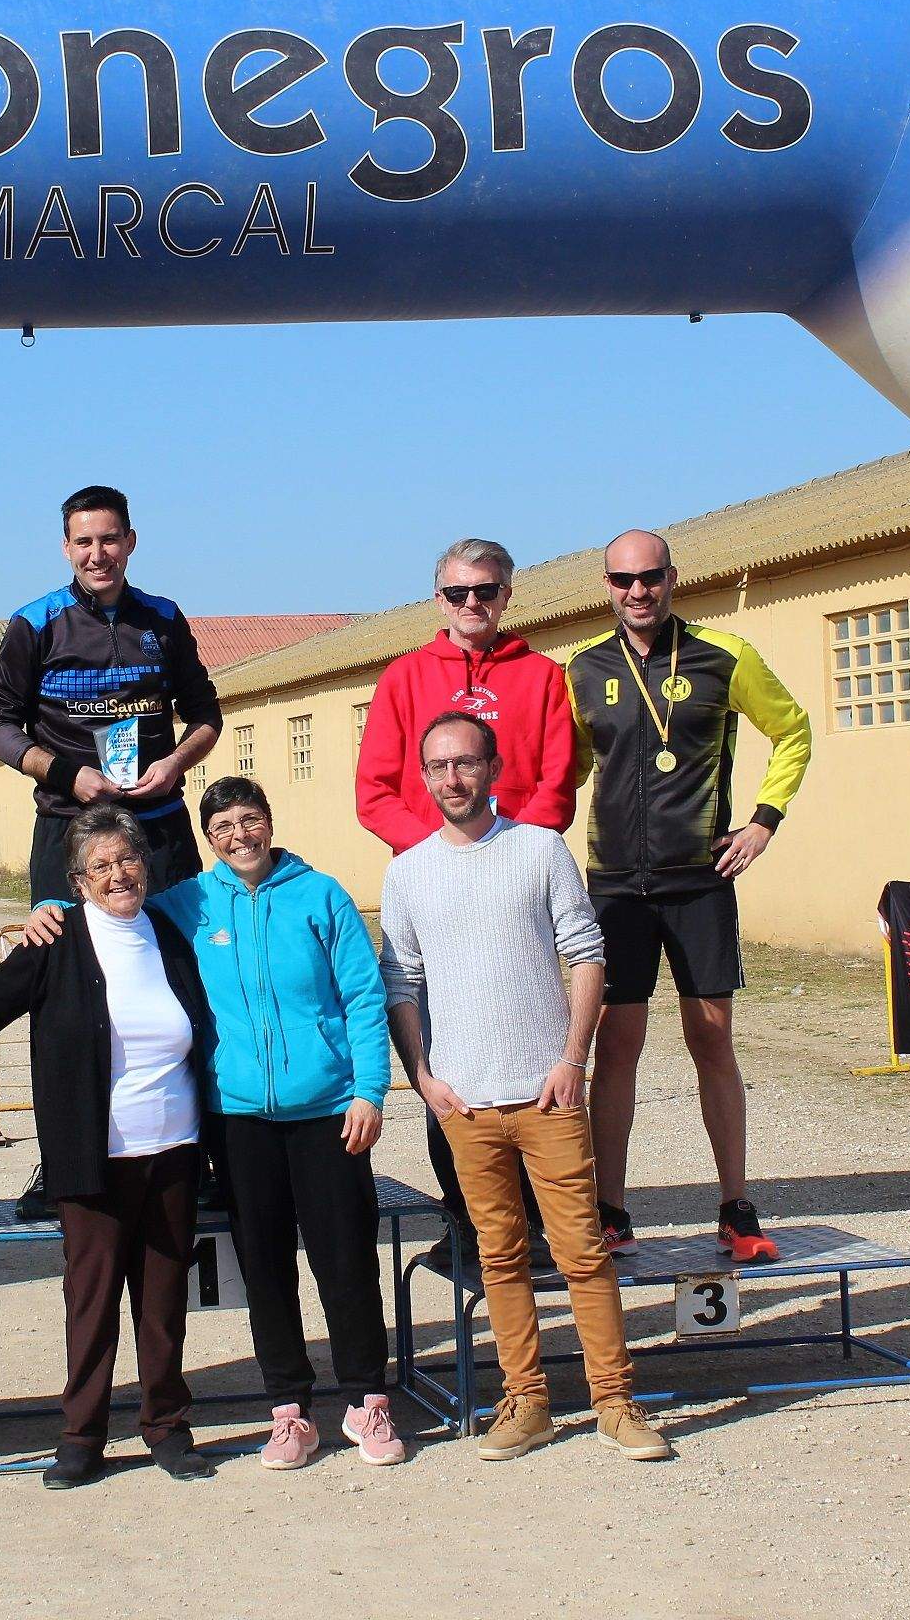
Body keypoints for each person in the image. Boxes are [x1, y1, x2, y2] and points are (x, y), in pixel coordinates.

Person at [22, 777, 405, 1470]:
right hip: (236, 1121)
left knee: (345, 1260)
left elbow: (363, 997)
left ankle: (367, 1401)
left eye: (250, 820)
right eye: (223, 825)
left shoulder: (322, 896)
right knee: (263, 1269)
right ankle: (289, 1412)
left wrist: (369, 1091)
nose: (239, 835)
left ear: (269, 822)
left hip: (327, 1110)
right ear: (208, 838)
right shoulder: (191, 902)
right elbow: (112, 901)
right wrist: (52, 904)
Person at [0, 804, 217, 1490]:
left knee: (162, 1305)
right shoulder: (54, 940)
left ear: (146, 867)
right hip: (92, 1159)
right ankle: (82, 1436)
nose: (118, 874)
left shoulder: (169, 933)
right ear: (77, 880)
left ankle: (166, 1427)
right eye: (101, 865)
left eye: (127, 860)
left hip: (174, 1153)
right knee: (91, 1303)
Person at [378, 711, 668, 1462]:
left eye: (466, 763)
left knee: (581, 1253)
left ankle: (615, 1401)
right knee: (499, 1259)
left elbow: (586, 954)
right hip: (463, 1105)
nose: (452, 779)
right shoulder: (407, 871)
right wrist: (423, 1078)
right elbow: (401, 979)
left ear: (494, 767)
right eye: (438, 766)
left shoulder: (539, 850)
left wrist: (573, 1059)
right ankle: (527, 1401)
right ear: (423, 775)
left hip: (546, 1093)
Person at [564, 530, 809, 1261]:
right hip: (613, 887)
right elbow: (566, 772)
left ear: (672, 578)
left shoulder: (726, 655)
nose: (637, 591)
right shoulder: (582, 669)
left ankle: (736, 1205)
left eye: (649, 578)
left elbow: (792, 729)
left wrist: (764, 821)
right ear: (606, 585)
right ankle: (611, 1208)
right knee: (617, 1046)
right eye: (622, 580)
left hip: (700, 882)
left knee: (711, 1038)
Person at [355, 538, 576, 1272]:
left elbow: (555, 782)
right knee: (447, 1054)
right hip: (434, 888)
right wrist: (440, 849)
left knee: (529, 1037)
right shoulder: (404, 678)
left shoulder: (542, 676)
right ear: (438, 598)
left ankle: (541, 1220)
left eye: (486, 591)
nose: (472, 605)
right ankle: (466, 1219)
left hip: (518, 886)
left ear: (508, 595)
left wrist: (508, 850)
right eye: (458, 593)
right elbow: (376, 792)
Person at [0, 485, 222, 908]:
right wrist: (64, 774)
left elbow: (205, 715)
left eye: (109, 539)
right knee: (69, 966)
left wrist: (173, 764)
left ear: (130, 541)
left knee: (177, 962)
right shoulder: (35, 623)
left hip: (159, 826)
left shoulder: (163, 618)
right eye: (84, 542)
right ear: (65, 547)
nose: (98, 554)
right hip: (70, 826)